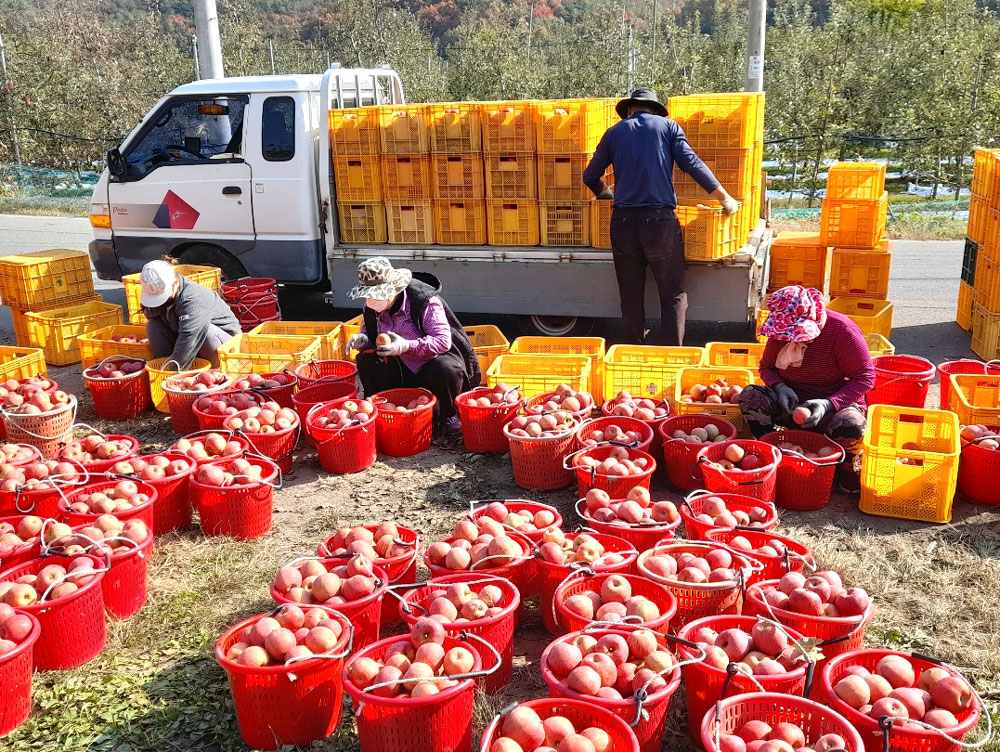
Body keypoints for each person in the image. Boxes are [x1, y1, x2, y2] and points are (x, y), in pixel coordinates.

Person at [583, 88, 740, 346]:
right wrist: (724, 197)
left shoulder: (613, 133)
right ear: (655, 110)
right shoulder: (669, 127)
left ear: (629, 109)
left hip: (623, 224)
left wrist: (607, 194)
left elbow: (590, 175)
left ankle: (631, 350)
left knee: (630, 295)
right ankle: (672, 353)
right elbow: (691, 163)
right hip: (659, 224)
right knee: (673, 293)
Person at [738, 285, 876, 492]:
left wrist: (829, 404)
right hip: (791, 402)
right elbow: (766, 367)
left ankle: (844, 466)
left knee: (851, 425)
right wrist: (780, 387)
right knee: (751, 396)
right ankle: (772, 451)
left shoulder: (841, 331)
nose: (790, 339)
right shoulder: (781, 332)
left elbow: (865, 377)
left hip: (833, 405)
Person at [344, 257, 481, 433]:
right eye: (369, 295)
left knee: (446, 368)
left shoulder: (423, 302)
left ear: (393, 288)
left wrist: (407, 346)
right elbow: (370, 334)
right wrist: (362, 340)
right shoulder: (372, 306)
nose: (373, 299)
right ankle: (380, 409)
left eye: (378, 294)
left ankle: (449, 413)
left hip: (429, 365)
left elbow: (442, 341)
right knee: (365, 359)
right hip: (397, 367)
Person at [140, 259, 241, 369]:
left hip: (225, 344)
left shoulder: (192, 299)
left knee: (207, 333)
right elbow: (151, 315)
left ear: (175, 283)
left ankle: (216, 371)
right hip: (192, 342)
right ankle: (164, 365)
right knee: (153, 325)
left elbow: (189, 337)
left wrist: (173, 371)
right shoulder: (169, 294)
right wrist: (155, 306)